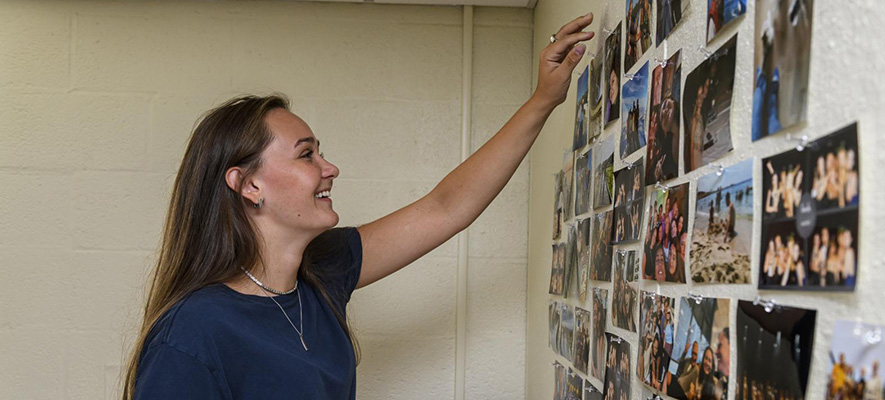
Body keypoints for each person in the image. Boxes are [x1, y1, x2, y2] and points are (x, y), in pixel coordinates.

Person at [120, 13, 597, 400]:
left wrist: (542, 101)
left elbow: (447, 207)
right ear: (247, 186)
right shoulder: (190, 336)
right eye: (307, 154)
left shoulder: (322, 271)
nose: (331, 168)